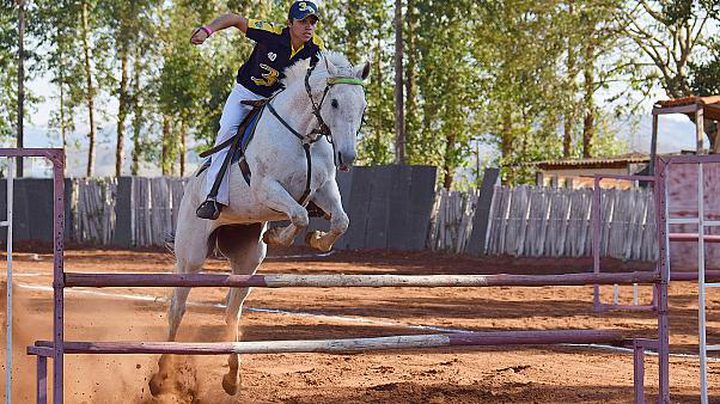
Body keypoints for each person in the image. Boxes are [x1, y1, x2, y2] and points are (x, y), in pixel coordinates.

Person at [191, 1, 325, 220]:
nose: (308, 26)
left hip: (278, 100)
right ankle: (213, 196)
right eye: (302, 21)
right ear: (289, 23)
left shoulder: (316, 47)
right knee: (227, 131)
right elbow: (234, 19)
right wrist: (207, 31)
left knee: (308, 130)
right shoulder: (270, 33)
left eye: (312, 22)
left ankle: (310, 195)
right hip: (246, 94)